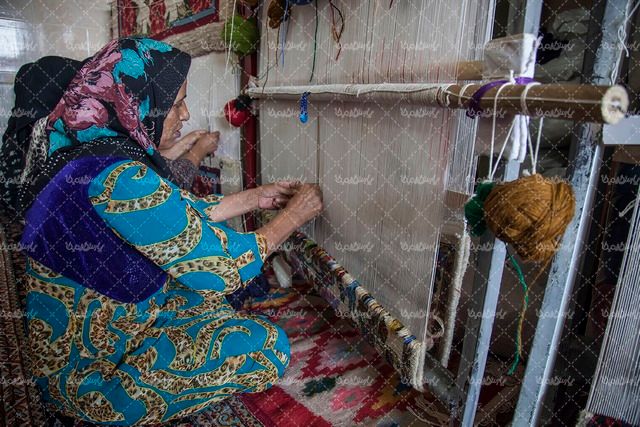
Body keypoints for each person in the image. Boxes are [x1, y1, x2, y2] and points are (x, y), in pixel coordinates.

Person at [16, 37, 323, 425]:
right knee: (267, 348)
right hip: (93, 381)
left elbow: (175, 213)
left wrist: (255, 198)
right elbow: (222, 268)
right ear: (138, 103)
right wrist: (292, 218)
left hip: (104, 334)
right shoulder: (117, 176)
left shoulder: (93, 157)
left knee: (203, 298)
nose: (185, 114)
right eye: (176, 103)